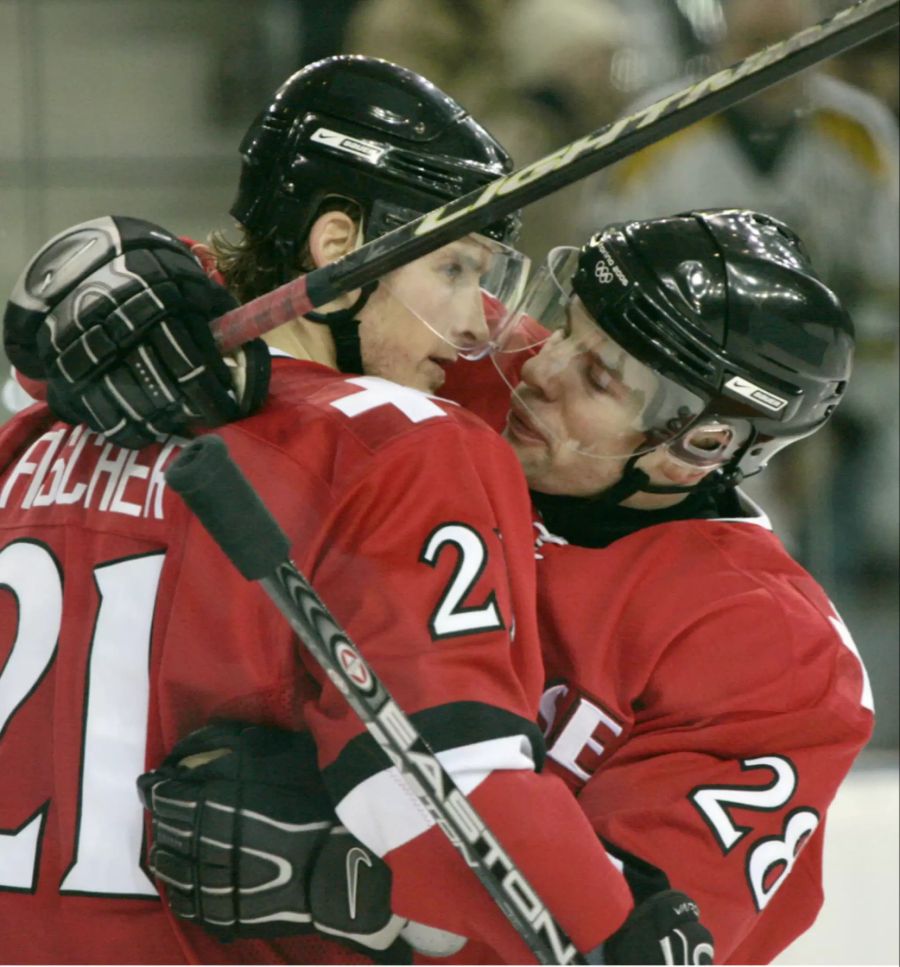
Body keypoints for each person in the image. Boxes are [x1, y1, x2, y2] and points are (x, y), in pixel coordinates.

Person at [0, 56, 712, 965]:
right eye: (454, 268)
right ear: (339, 247)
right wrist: (613, 927)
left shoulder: (41, 436)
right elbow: (446, 789)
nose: (472, 323)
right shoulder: (408, 441)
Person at [132, 210, 872, 964]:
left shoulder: (779, 656)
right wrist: (123, 284)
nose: (539, 369)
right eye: (567, 330)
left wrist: (349, 882)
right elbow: (258, 297)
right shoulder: (470, 372)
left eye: (597, 377)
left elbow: (622, 944)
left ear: (698, 446)